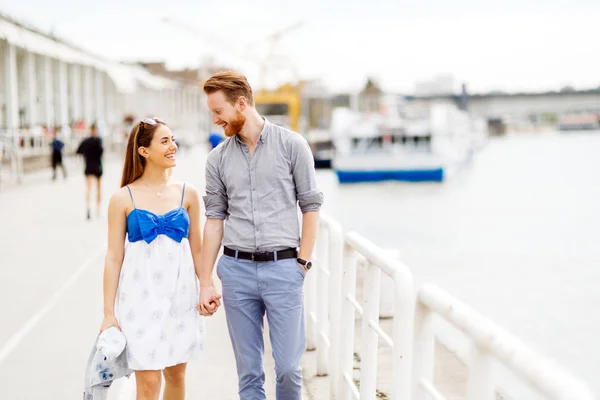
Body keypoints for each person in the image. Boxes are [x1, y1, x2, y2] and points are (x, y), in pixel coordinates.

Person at [198, 70, 324, 399]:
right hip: (236, 271)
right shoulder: (217, 159)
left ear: (241, 104)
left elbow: (310, 206)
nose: (215, 120)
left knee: (288, 368)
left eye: (218, 111)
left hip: (284, 270)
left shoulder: (293, 145)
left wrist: (303, 264)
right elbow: (214, 220)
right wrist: (205, 280)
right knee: (250, 373)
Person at [99, 117, 214, 400]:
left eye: (173, 139)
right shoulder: (122, 198)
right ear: (144, 151)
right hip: (139, 298)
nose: (173, 146)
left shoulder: (188, 194)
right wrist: (108, 313)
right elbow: (114, 257)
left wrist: (206, 285)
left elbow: (197, 249)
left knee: (176, 376)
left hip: (180, 295)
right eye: (165, 141)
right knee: (149, 384)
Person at [76, 123, 104, 220]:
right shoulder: (98, 141)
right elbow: (101, 151)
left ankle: (88, 207)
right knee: (98, 188)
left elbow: (78, 151)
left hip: (88, 166)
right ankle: (98, 208)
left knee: (88, 188)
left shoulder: (85, 141)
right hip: (97, 166)